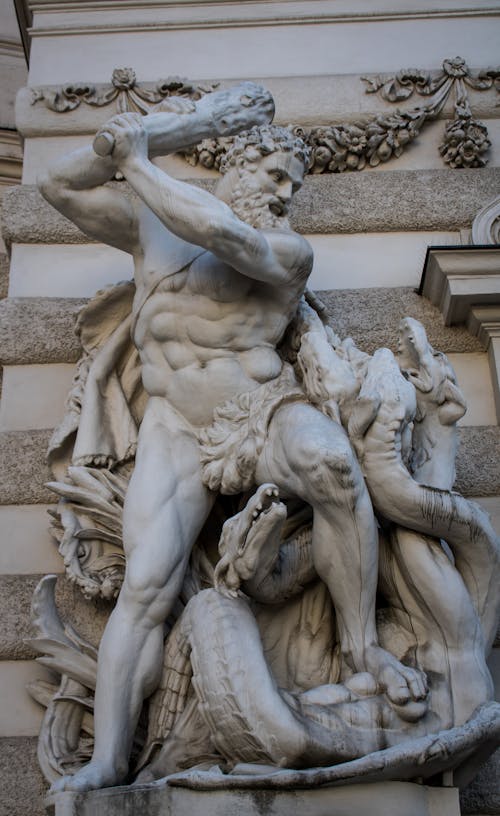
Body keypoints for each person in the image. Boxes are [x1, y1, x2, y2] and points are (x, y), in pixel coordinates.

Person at [39, 105, 426, 792]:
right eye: (276, 175)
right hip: (174, 429)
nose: (284, 193)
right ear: (237, 167)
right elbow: (57, 185)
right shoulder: (150, 227)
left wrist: (134, 158)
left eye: (293, 185)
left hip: (258, 409)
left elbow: (221, 233)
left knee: (332, 465)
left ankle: (361, 646)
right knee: (147, 585)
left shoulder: (287, 251)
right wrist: (171, 132)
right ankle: (108, 760)